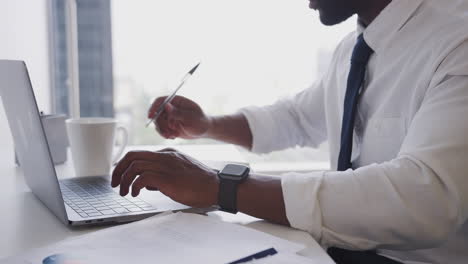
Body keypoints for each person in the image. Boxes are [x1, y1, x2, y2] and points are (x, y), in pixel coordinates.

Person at [111, 0, 468, 263]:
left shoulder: (457, 41)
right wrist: (207, 126)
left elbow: (426, 198)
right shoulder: (352, 49)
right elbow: (297, 118)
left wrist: (221, 186)